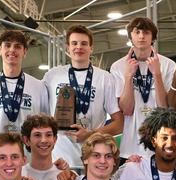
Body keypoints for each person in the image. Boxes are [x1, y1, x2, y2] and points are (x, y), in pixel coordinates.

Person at [43, 25, 123, 169]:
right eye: (74, 43)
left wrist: (91, 134)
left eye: (84, 43)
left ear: (91, 48)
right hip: (59, 159)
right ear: (67, 48)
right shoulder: (52, 76)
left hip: (93, 159)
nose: (79, 47)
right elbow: (41, 114)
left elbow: (119, 123)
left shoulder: (105, 78)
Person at [111, 17, 176, 161]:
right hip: (130, 147)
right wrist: (128, 75)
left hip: (160, 144)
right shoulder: (118, 66)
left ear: (152, 37)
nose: (141, 36)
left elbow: (164, 108)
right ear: (131, 36)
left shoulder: (168, 65)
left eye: (146, 32)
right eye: (137, 32)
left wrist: (157, 74)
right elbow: (126, 110)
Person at [0, 29, 49, 150]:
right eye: (7, 45)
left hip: (27, 158)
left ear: (25, 52)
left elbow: (45, 125)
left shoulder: (39, 87)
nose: (12, 50)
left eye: (17, 46)